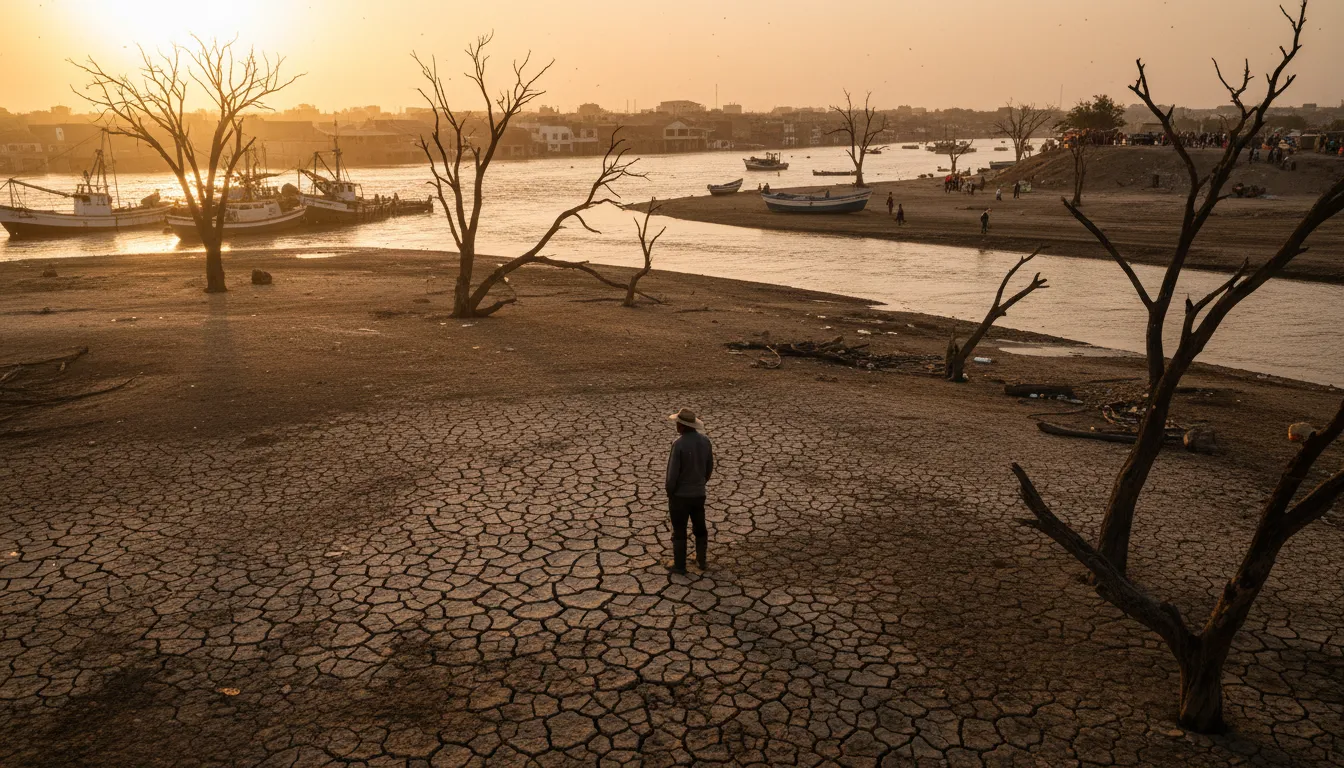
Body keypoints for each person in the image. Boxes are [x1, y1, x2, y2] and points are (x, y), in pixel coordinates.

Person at [665, 408, 714, 574]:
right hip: (699, 494)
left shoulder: (678, 444)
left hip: (680, 496)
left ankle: (679, 565)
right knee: (700, 527)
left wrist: (670, 493)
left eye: (678, 423)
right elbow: (709, 468)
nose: (676, 426)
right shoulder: (705, 441)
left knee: (679, 529)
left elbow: (672, 475)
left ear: (682, 426)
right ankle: (702, 560)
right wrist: (700, 484)